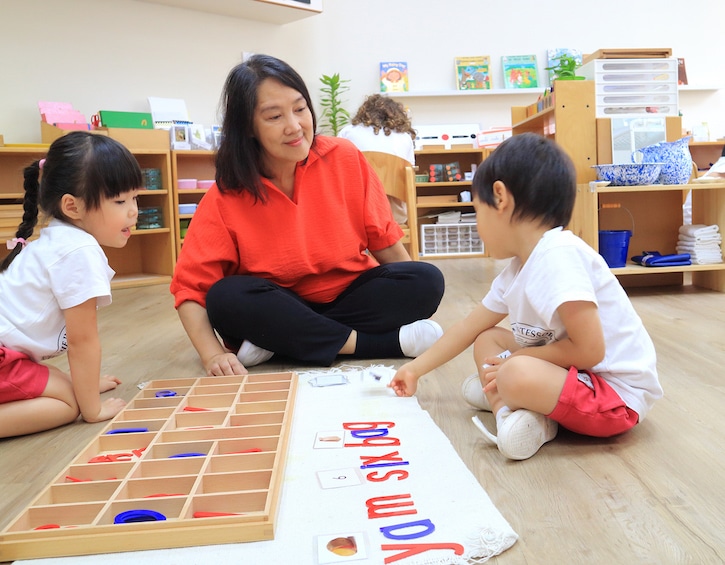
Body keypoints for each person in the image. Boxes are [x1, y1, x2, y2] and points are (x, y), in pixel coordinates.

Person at [389, 133, 662, 461]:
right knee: (488, 338)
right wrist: (416, 369)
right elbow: (469, 327)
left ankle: (529, 408)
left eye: (477, 211)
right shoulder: (518, 269)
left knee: (513, 372)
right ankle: (510, 412)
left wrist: (515, 363)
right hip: (573, 376)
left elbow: (590, 351)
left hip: (613, 398)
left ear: (499, 197)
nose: (478, 226)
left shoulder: (559, 256)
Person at [170, 54, 444, 377]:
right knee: (226, 298)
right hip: (278, 304)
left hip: (347, 297)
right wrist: (211, 354)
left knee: (426, 280)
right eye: (274, 116)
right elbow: (190, 289)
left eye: (300, 109)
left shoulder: (343, 157)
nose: (294, 126)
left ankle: (281, 341)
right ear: (248, 128)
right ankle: (378, 344)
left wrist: (412, 291)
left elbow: (385, 243)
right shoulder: (226, 194)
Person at [0, 131, 141, 437]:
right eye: (120, 200)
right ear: (72, 207)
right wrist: (91, 407)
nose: (134, 211)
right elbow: (82, 342)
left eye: (135, 197)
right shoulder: (79, 252)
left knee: (61, 384)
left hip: (9, 356)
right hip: (4, 360)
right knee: (68, 405)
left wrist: (84, 385)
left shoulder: (60, 239)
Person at [339, 93, 416, 223]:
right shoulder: (404, 138)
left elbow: (338, 170)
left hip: (355, 212)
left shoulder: (347, 132)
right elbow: (410, 176)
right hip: (391, 214)